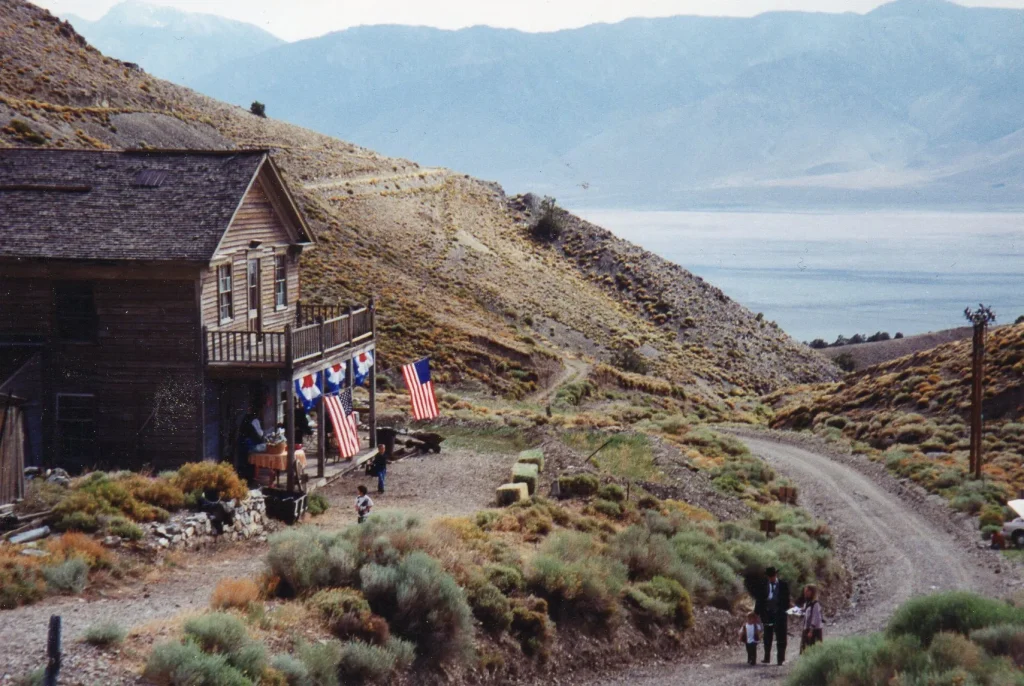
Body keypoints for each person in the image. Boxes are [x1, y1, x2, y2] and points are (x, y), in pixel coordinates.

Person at [754, 566, 791, 665]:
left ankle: (780, 659)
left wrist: (785, 611)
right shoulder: (763, 585)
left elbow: (787, 600)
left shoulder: (783, 585)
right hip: (768, 614)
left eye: (773, 576)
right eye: (770, 576)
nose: (771, 578)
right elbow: (759, 600)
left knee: (781, 637)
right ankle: (767, 657)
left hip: (780, 615)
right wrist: (756, 613)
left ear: (776, 575)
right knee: (767, 636)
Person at [800, 584, 823, 653]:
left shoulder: (815, 604)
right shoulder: (807, 603)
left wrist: (811, 631)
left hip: (814, 630)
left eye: (807, 591)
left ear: (812, 592)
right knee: (805, 648)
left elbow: (815, 617)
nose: (805, 593)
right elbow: (805, 611)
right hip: (806, 628)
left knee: (814, 648)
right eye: (805, 591)